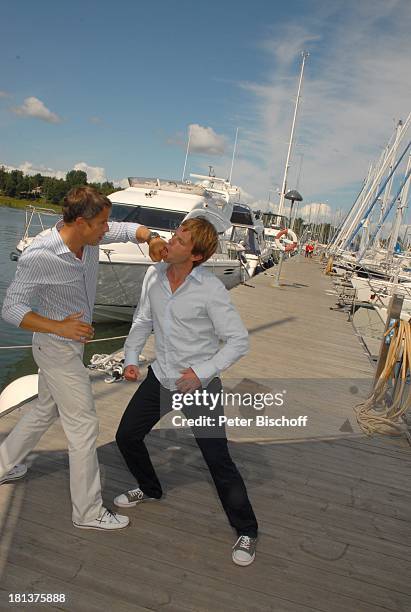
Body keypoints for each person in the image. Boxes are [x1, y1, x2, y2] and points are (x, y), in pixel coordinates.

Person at [0, 186, 167, 531]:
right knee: (84, 426)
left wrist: (148, 237)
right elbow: (11, 308)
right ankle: (87, 512)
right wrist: (59, 327)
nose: (107, 229)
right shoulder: (40, 254)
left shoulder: (90, 238)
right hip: (55, 346)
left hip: (67, 345)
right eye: (101, 223)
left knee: (45, 408)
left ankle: (4, 465)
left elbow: (125, 229)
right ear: (80, 222)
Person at [114, 217, 259, 565]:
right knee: (126, 437)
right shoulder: (155, 276)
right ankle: (150, 489)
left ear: (194, 255)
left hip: (199, 386)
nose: (171, 242)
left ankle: (247, 531)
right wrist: (131, 358)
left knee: (217, 459)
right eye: (175, 234)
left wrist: (202, 371)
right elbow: (142, 322)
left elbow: (238, 341)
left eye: (180, 240)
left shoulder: (210, 289)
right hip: (161, 378)